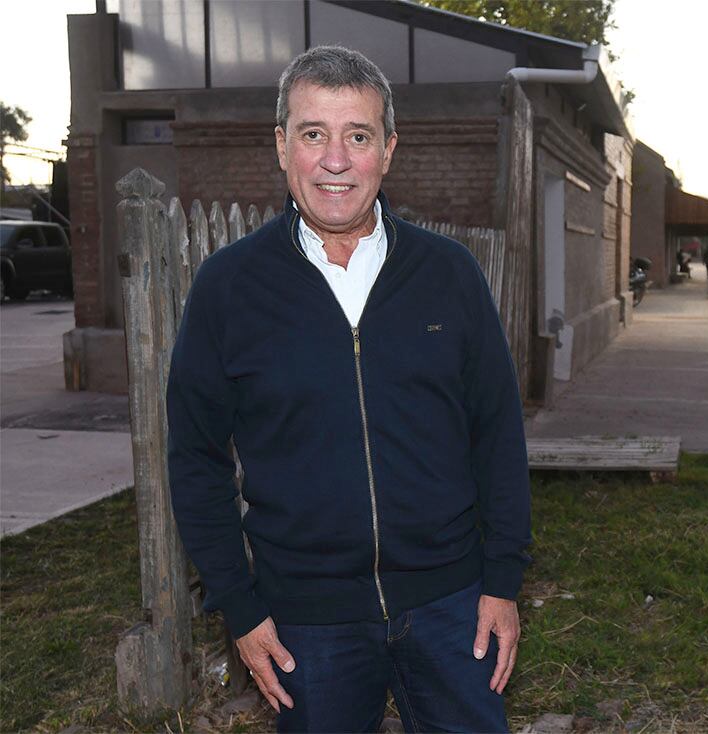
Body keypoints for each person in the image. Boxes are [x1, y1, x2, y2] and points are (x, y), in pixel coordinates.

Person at [167, 45, 531, 733]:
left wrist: (502, 581)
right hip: (307, 622)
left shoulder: (449, 275)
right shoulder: (229, 288)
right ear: (282, 146)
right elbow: (194, 460)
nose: (336, 160)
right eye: (314, 134)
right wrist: (240, 608)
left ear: (387, 149)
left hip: (454, 605)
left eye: (357, 136)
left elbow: (498, 434)